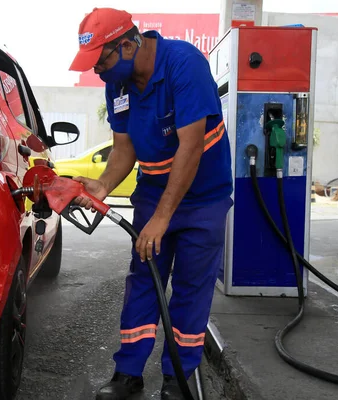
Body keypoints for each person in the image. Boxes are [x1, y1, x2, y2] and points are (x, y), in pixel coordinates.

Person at [69, 8, 233, 400]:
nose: (97, 72)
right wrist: (104, 185)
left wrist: (162, 218)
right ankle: (128, 374)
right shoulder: (119, 84)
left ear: (127, 44)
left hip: (203, 199)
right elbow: (124, 148)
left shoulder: (184, 64)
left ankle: (179, 377)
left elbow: (191, 149)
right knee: (143, 281)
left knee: (191, 288)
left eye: (101, 61)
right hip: (153, 193)